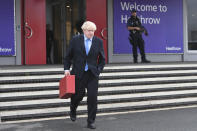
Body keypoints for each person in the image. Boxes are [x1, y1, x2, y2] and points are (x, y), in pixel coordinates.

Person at [64, 21, 105, 129]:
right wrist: (66, 69)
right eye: (89, 31)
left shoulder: (98, 41)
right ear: (83, 30)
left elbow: (102, 59)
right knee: (78, 95)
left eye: (93, 31)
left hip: (92, 74)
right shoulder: (75, 40)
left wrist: (99, 70)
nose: (91, 33)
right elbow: (68, 56)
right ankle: (73, 107)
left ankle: (90, 121)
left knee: (92, 98)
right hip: (78, 73)